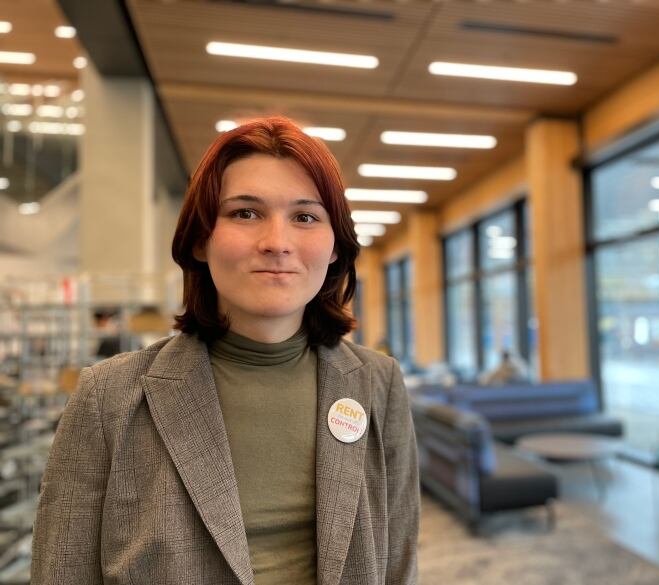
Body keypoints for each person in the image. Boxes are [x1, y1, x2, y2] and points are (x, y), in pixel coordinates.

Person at [30, 117, 420, 585]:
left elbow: (398, 563)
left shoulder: (378, 383)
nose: (276, 243)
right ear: (200, 239)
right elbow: (61, 572)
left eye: (305, 217)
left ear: (334, 245)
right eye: (245, 213)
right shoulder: (108, 399)